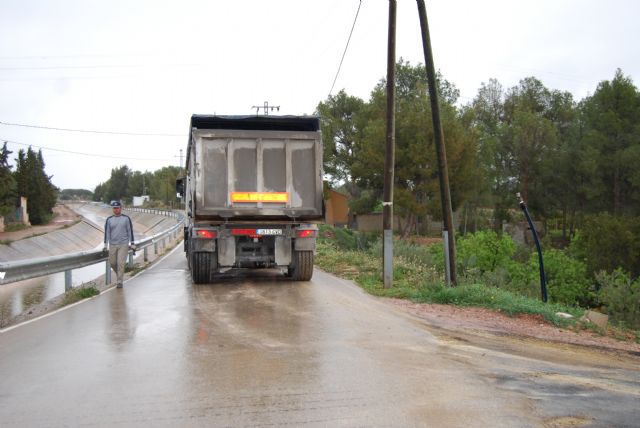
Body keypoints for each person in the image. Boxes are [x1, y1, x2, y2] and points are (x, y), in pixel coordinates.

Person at [103, 200, 136, 288]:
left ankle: (119, 281)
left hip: (123, 244)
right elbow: (107, 233)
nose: (116, 210)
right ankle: (120, 275)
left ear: (120, 208)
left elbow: (130, 231)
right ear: (112, 209)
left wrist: (132, 243)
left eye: (117, 208)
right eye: (114, 208)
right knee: (113, 263)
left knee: (120, 263)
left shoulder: (126, 219)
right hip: (112, 244)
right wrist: (105, 245)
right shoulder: (109, 220)